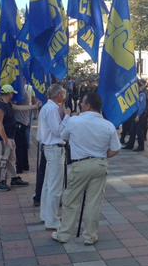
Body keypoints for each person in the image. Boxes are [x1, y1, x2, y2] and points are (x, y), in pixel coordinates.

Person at [52, 92, 121, 245]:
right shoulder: (108, 125)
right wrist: (102, 155)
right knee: (93, 202)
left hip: (80, 165)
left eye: (82, 103)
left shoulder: (75, 121)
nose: (81, 105)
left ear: (88, 105)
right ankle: (90, 236)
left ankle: (63, 234)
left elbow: (63, 136)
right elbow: (116, 149)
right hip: (100, 164)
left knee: (71, 200)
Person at [38, 83, 69, 230]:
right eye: (63, 94)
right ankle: (52, 219)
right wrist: (67, 117)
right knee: (55, 186)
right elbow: (58, 131)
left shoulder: (48, 107)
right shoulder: (51, 109)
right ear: (58, 96)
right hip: (54, 148)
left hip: (50, 148)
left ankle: (46, 215)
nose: (64, 96)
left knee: (48, 184)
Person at [0, 85, 30, 192]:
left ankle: (13, 177)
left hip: (10, 136)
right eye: (12, 93)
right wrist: (5, 139)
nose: (13, 95)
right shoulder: (0, 106)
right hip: (2, 138)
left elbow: (18, 108)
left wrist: (34, 106)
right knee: (2, 159)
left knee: (11, 158)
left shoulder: (7, 104)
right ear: (8, 94)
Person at [14, 82, 34, 174]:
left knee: (20, 147)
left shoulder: (20, 95)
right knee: (23, 145)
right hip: (24, 122)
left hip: (20, 122)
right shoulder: (24, 92)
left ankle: (20, 167)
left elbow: (15, 107)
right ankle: (25, 165)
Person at [132, 80, 148, 152]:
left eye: (137, 87)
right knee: (137, 131)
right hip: (138, 115)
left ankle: (141, 146)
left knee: (139, 131)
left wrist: (138, 115)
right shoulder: (138, 94)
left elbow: (142, 106)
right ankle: (140, 145)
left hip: (141, 116)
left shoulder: (142, 94)